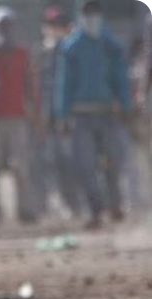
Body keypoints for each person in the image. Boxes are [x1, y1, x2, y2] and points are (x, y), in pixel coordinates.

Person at [54, 0, 132, 229]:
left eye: (95, 12)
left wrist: (125, 106)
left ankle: (115, 204)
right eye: (88, 12)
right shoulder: (71, 47)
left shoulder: (110, 44)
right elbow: (64, 84)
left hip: (107, 113)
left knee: (112, 162)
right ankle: (95, 210)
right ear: (81, 15)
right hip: (81, 115)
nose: (92, 17)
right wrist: (62, 115)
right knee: (86, 165)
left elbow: (120, 78)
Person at [0, 7, 38, 223]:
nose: (5, 30)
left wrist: (35, 113)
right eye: (1, 26)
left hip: (18, 117)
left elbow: (30, 84)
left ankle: (25, 209)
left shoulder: (22, 53)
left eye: (8, 25)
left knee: (21, 166)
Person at [35, 6, 82, 217]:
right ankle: (65, 203)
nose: (55, 29)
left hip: (72, 116)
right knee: (53, 163)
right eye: (51, 25)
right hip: (50, 118)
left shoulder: (73, 50)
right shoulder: (43, 52)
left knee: (75, 161)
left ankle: (80, 202)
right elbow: (39, 88)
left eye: (58, 25)